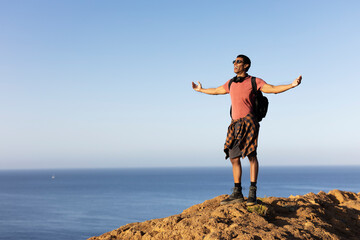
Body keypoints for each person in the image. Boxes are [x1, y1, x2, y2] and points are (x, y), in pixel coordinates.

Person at [192, 54, 302, 206]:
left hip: (249, 122)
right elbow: (217, 90)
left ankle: (252, 193)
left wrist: (292, 85)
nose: (235, 64)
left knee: (251, 155)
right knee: (233, 157)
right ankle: (237, 192)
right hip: (234, 123)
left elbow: (272, 89)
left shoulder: (254, 81)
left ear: (246, 65)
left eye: (238, 62)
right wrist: (201, 90)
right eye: (234, 62)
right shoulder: (231, 83)